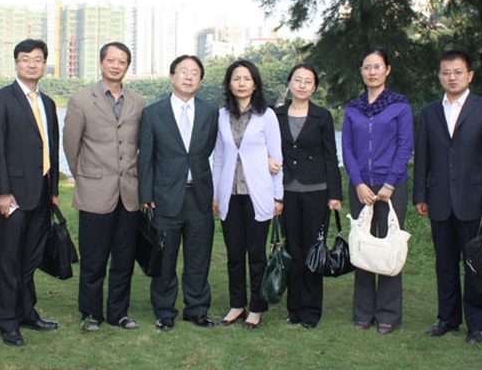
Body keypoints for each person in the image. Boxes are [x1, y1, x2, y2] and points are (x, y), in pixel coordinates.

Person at [413, 50, 482, 345]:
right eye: (446, 72)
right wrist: (420, 194)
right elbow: (423, 157)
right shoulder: (429, 112)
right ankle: (447, 318)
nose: (451, 77)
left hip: (474, 200)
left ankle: (477, 324)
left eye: (457, 72)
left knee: (476, 264)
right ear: (439, 76)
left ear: (470, 75)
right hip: (439, 199)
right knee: (445, 264)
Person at [63, 42, 146, 332]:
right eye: (111, 60)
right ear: (101, 63)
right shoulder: (81, 100)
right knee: (94, 259)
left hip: (129, 193)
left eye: (122, 61)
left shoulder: (138, 102)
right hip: (94, 192)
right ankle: (91, 313)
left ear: (127, 66)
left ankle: (118, 313)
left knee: (124, 258)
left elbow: (139, 145)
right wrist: (86, 176)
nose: (116, 65)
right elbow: (71, 145)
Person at [0, 39, 61, 347]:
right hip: (12, 196)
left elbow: (51, 148)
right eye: (26, 59)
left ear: (44, 64)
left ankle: (27, 312)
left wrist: (53, 190)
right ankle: (7, 321)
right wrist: (2, 192)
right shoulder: (0, 98)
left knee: (30, 259)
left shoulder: (48, 103)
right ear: (16, 63)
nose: (32, 64)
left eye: (38, 59)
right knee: (9, 260)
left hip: (41, 194)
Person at [138, 55, 219, 331]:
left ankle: (197, 310)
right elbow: (146, 158)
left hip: (199, 196)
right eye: (183, 71)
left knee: (199, 257)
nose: (188, 77)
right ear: (172, 77)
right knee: (165, 258)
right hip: (164, 197)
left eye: (194, 73)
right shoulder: (153, 113)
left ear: (200, 81)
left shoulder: (210, 112)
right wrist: (145, 195)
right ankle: (164, 311)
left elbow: (213, 151)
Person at [342, 48, 414, 335]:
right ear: (361, 71)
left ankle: (388, 313)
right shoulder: (353, 108)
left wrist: (390, 184)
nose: (372, 72)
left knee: (388, 245)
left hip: (391, 186)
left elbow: (404, 146)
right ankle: (362, 312)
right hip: (361, 186)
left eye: (377, 66)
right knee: (362, 245)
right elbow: (347, 148)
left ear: (387, 70)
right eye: (367, 67)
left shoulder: (399, 105)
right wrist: (358, 183)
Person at [212, 59, 283, 329]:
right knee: (234, 255)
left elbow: (276, 158)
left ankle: (256, 307)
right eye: (236, 78)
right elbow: (219, 158)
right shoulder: (221, 116)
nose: (241, 83)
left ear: (255, 84)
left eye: (247, 78)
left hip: (258, 194)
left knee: (256, 254)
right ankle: (237, 305)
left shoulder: (267, 115)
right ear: (229, 84)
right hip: (230, 194)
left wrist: (278, 196)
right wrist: (216, 195)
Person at [273, 63, 343, 329]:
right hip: (286, 191)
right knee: (293, 250)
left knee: (314, 250)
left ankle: (311, 311)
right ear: (290, 83)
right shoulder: (276, 115)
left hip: (317, 190)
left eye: (308, 81)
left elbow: (330, 156)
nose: (302, 85)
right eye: (298, 80)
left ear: (314, 87)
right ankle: (294, 308)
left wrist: (335, 194)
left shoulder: (322, 116)